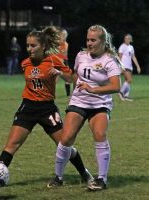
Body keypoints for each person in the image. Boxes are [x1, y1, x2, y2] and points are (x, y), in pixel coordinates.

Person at [0, 26, 94, 185]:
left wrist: (58, 73)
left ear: (43, 46)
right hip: (27, 108)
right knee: (12, 144)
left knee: (63, 145)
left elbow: (71, 79)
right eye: (28, 45)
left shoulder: (54, 60)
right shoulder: (25, 64)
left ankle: (84, 173)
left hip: (47, 109)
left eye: (33, 45)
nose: (29, 49)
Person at [47, 25, 122, 191]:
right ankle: (58, 177)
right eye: (88, 39)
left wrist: (94, 89)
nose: (89, 43)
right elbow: (75, 77)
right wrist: (59, 73)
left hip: (100, 103)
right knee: (66, 139)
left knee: (100, 134)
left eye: (93, 40)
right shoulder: (81, 56)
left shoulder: (109, 60)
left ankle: (102, 179)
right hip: (79, 101)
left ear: (102, 42)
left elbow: (116, 86)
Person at [118, 34, 141, 101]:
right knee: (129, 79)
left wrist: (138, 66)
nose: (126, 39)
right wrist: (120, 66)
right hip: (124, 66)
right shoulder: (122, 46)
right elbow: (119, 57)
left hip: (130, 66)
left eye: (128, 38)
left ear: (131, 40)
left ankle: (126, 96)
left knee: (128, 81)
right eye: (125, 38)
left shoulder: (131, 47)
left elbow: (133, 57)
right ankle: (121, 92)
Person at [57, 28, 72, 97]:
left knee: (68, 79)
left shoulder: (66, 44)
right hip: (57, 63)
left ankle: (68, 95)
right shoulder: (55, 44)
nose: (65, 35)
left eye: (65, 34)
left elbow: (65, 55)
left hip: (64, 62)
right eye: (63, 34)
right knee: (54, 78)